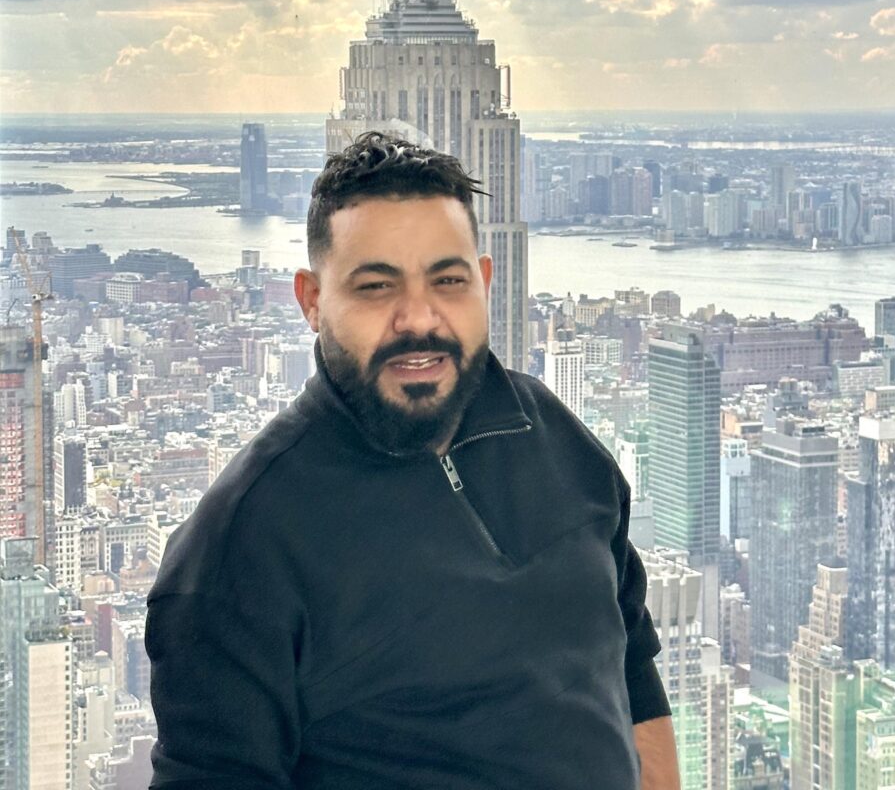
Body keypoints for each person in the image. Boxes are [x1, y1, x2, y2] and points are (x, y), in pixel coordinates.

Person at [146, 132, 680, 790]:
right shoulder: (242, 548)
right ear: (311, 300)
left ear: (483, 282)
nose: (418, 317)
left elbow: (630, 660)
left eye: (447, 281)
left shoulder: (556, 437)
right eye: (375, 286)